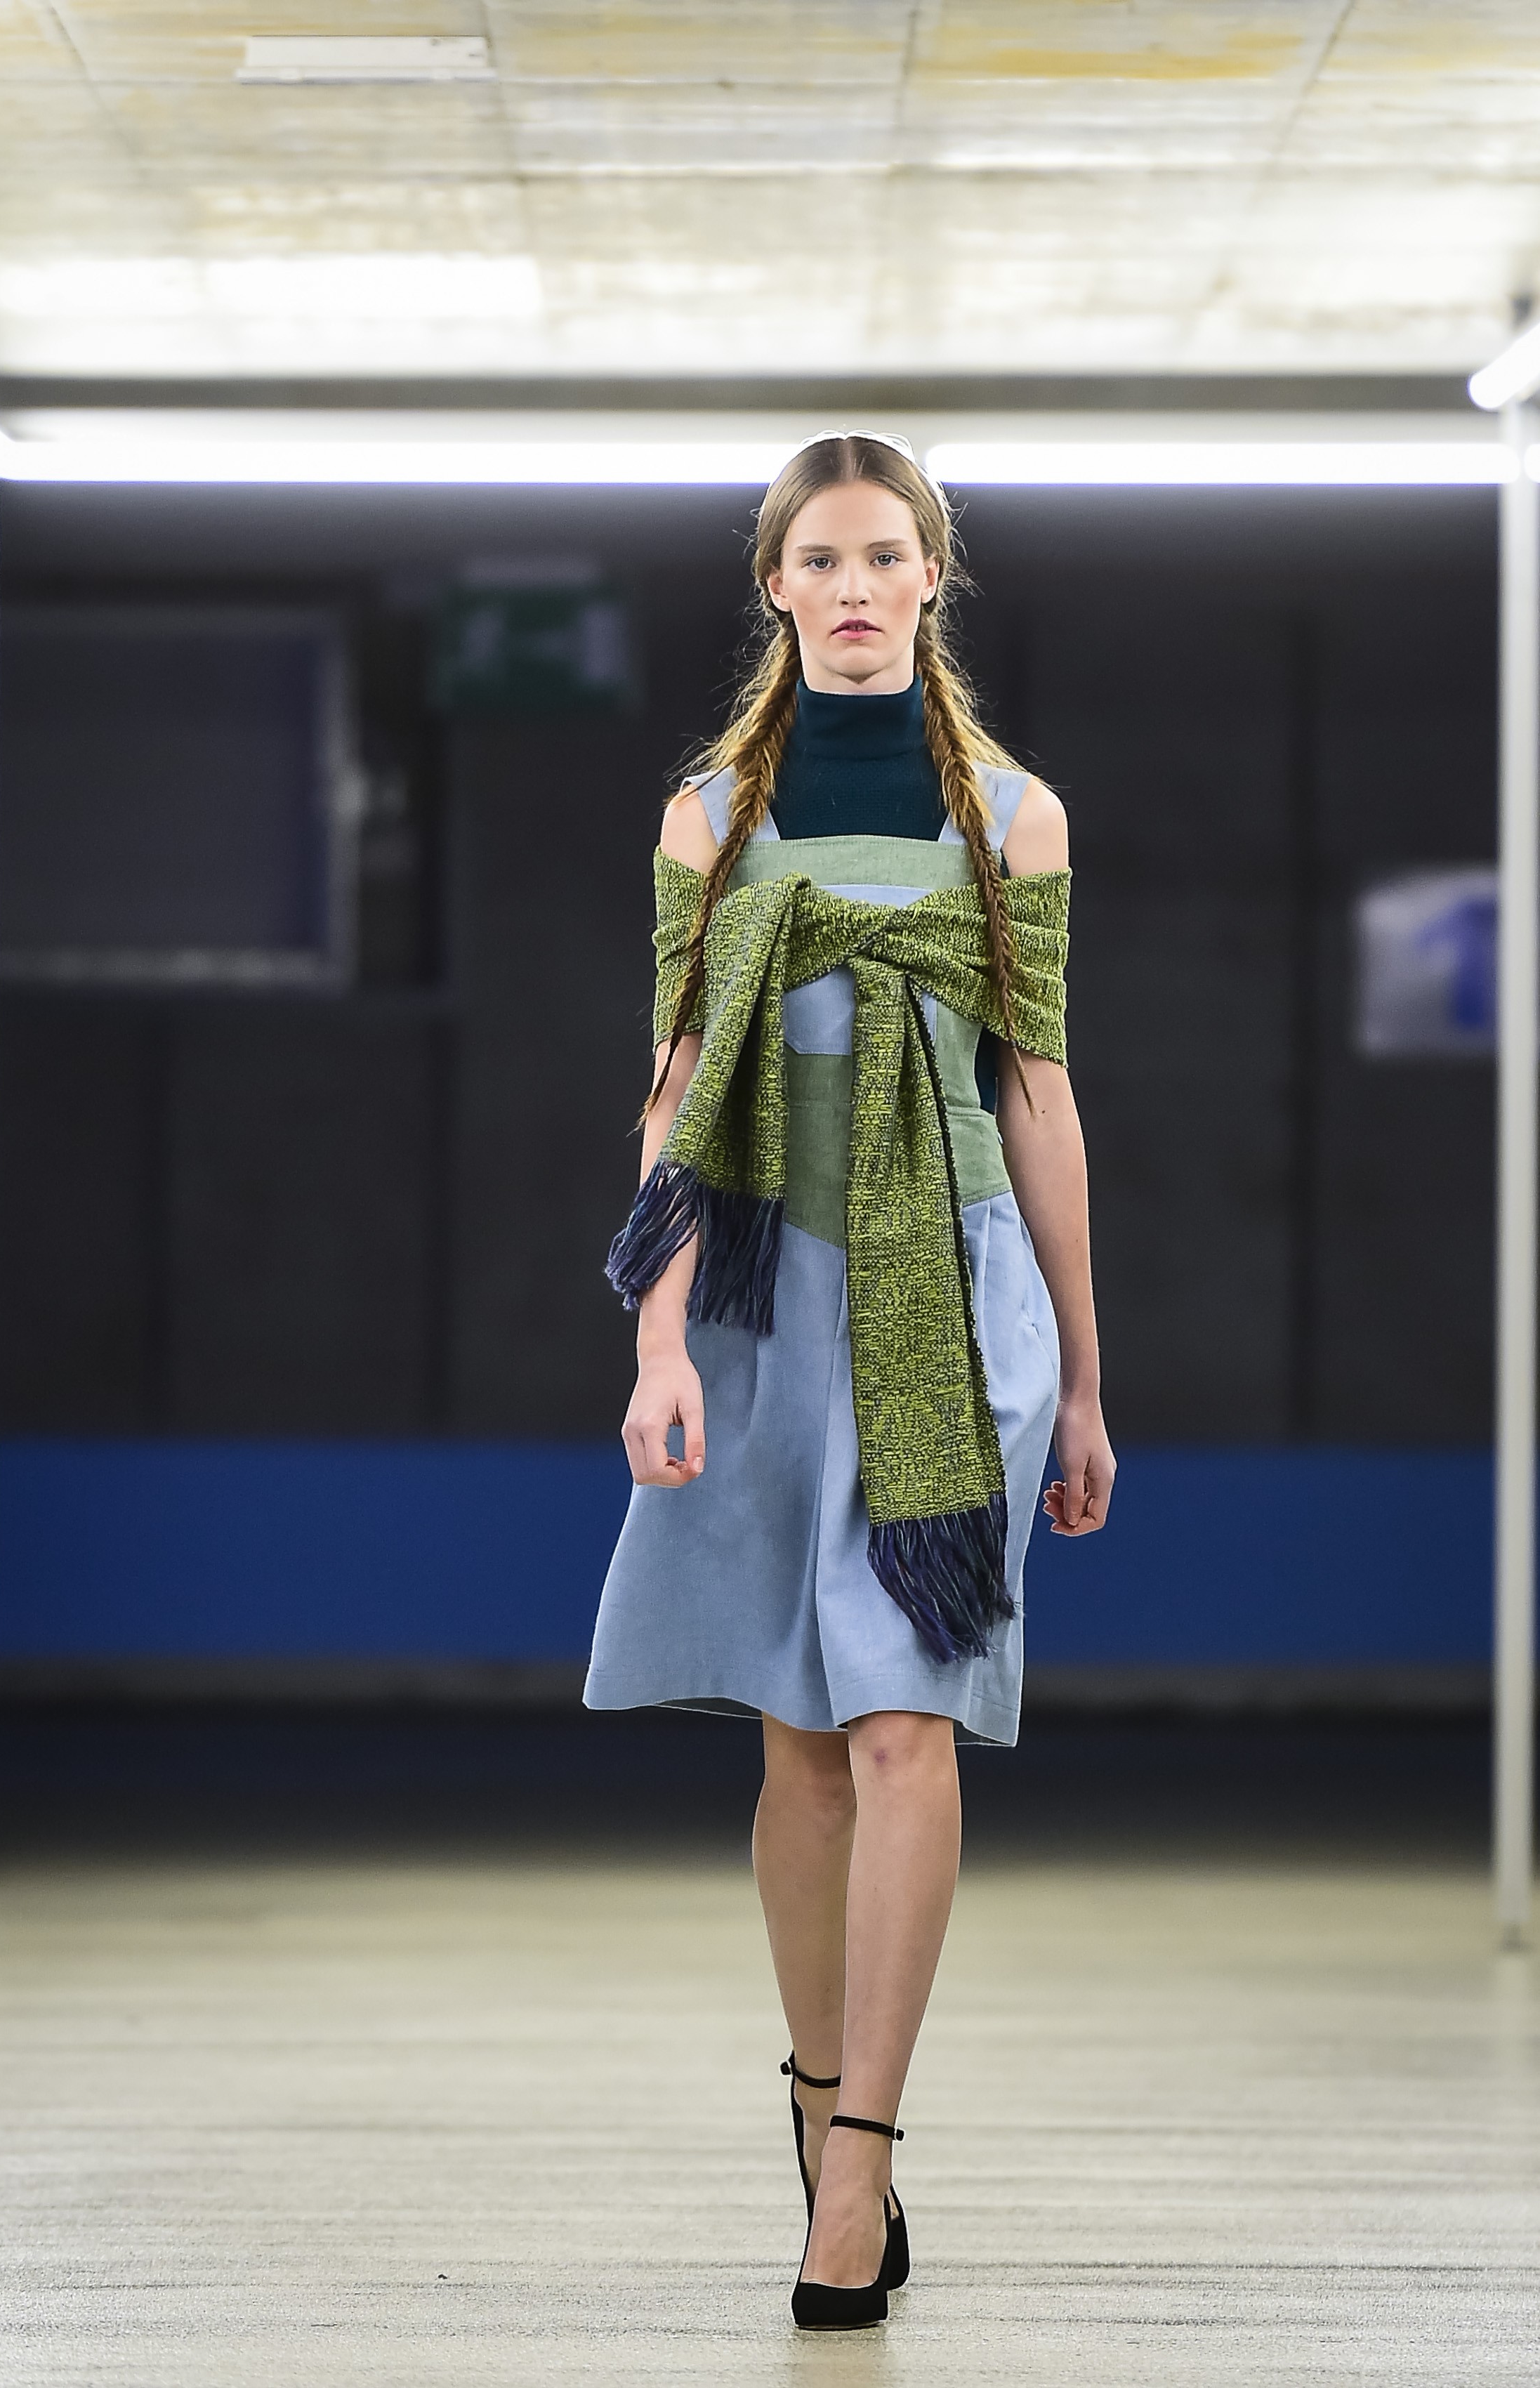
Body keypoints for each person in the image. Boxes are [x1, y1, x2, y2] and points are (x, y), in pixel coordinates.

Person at [586, 431, 1114, 2330]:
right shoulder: (709, 820)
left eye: (887, 555)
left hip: (953, 1301)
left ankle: (862, 2166)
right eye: (821, 559)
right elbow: (673, 1084)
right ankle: (820, 2114)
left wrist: (1083, 1382)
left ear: (931, 577)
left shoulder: (1016, 820)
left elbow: (1037, 1097)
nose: (857, 588)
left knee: (904, 1723)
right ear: (777, 587)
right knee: (800, 1748)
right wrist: (656, 1337)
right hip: (752, 1299)